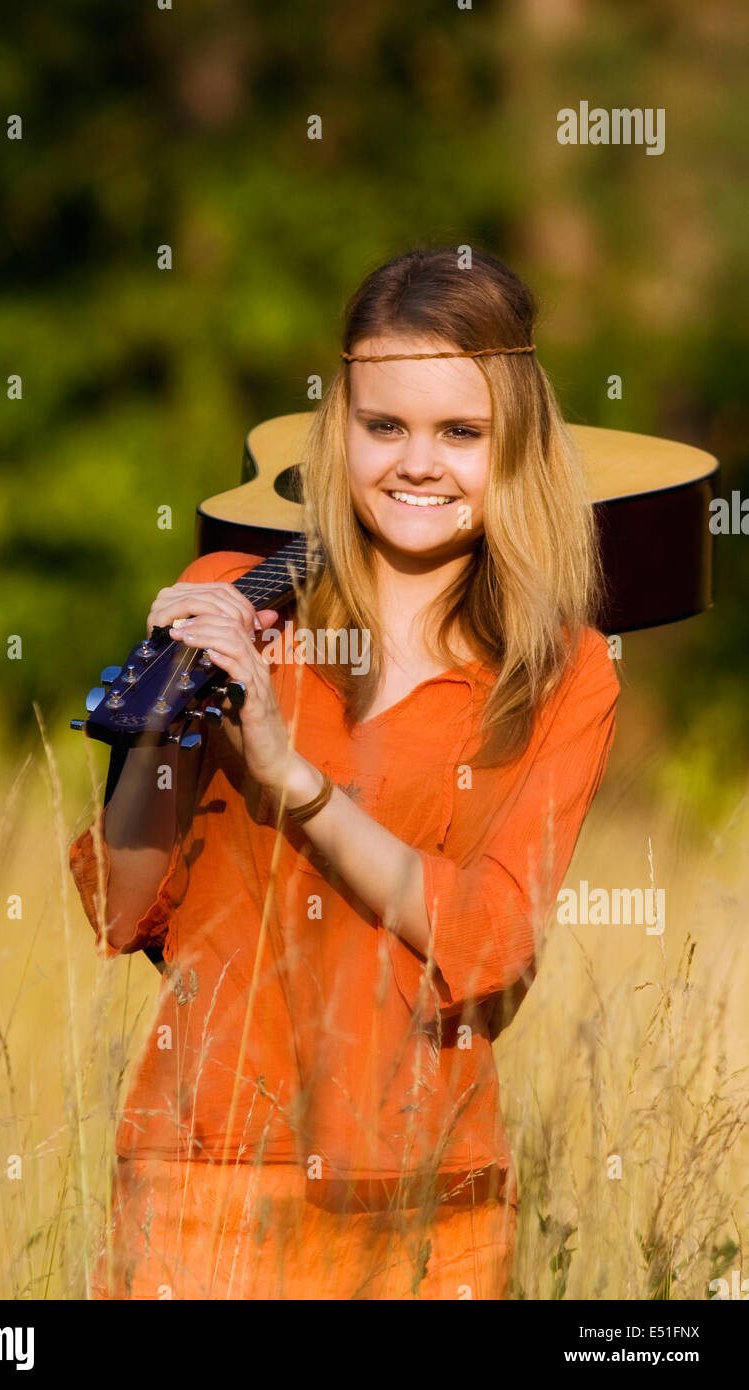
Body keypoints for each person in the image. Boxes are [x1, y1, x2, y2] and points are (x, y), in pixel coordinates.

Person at [69, 244, 620, 1300]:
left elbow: (490, 943)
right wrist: (159, 718)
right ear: (340, 429)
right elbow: (123, 906)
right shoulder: (234, 595)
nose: (417, 462)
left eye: (460, 432)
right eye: (383, 427)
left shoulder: (562, 670)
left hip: (428, 1200)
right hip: (205, 1171)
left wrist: (295, 785)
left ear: (516, 445)